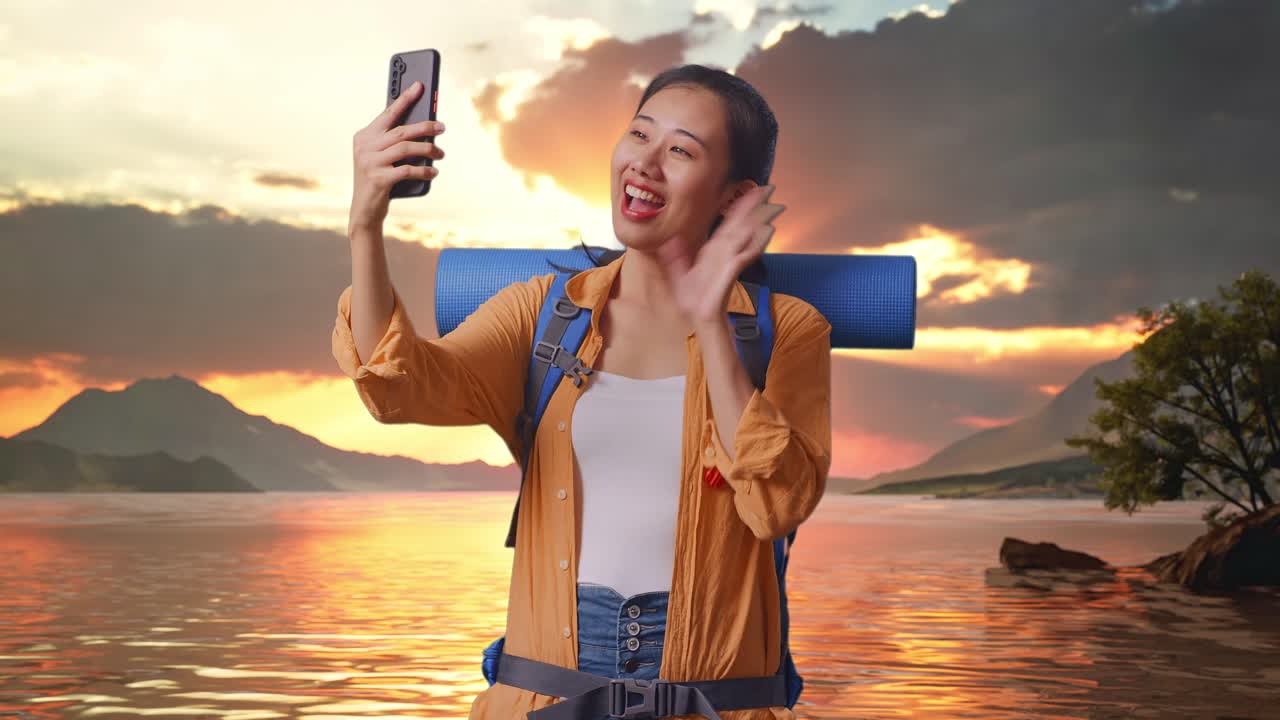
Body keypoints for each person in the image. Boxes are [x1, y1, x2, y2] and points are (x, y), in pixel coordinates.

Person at [332, 63, 832, 719]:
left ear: (734, 199)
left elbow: (778, 504)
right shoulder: (542, 314)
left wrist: (712, 317)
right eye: (638, 136)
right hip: (542, 700)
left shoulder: (785, 331)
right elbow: (399, 389)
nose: (644, 165)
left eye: (680, 151)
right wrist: (366, 225)